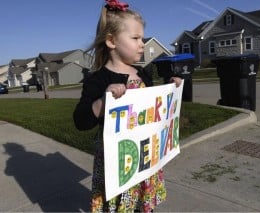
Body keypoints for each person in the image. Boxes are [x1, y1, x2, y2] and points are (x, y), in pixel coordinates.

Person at [73, 0, 182, 212]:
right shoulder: (98, 79)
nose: (142, 43)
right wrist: (103, 102)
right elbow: (80, 120)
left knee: (142, 204)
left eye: (142, 37)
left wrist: (170, 91)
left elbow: (153, 108)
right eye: (135, 38)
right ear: (112, 41)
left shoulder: (143, 73)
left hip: (145, 158)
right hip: (118, 163)